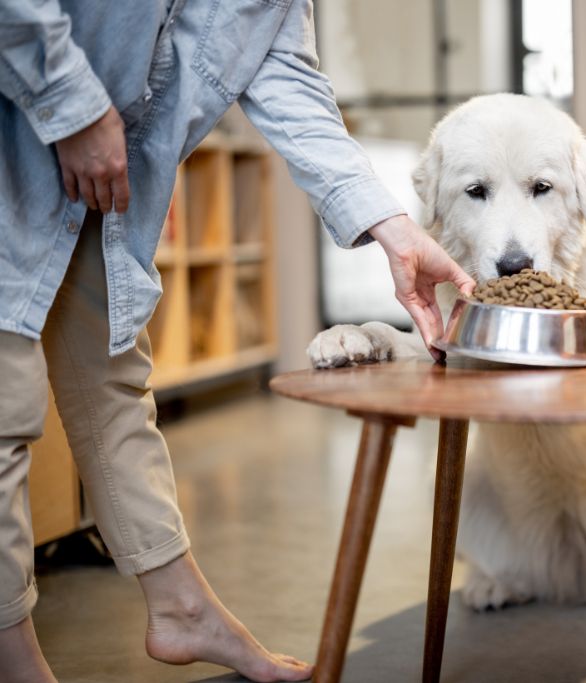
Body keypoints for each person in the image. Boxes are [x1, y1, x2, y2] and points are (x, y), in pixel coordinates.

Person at [0, 2, 474, 681]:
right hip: (20, 122)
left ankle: (181, 606)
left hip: (97, 177)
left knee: (111, 375)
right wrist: (70, 107)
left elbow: (287, 81)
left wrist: (392, 229)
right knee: (4, 398)